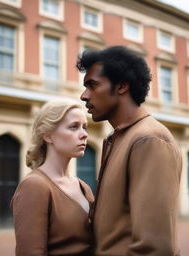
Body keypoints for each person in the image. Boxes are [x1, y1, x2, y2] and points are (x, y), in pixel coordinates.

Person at [76, 46, 182, 256]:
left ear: (122, 86)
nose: (84, 96)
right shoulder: (120, 138)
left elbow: (154, 247)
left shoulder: (149, 139)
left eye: (92, 85)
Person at [11, 100, 94, 256]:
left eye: (84, 127)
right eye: (74, 127)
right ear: (48, 136)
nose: (84, 134)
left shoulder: (84, 186)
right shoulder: (35, 186)